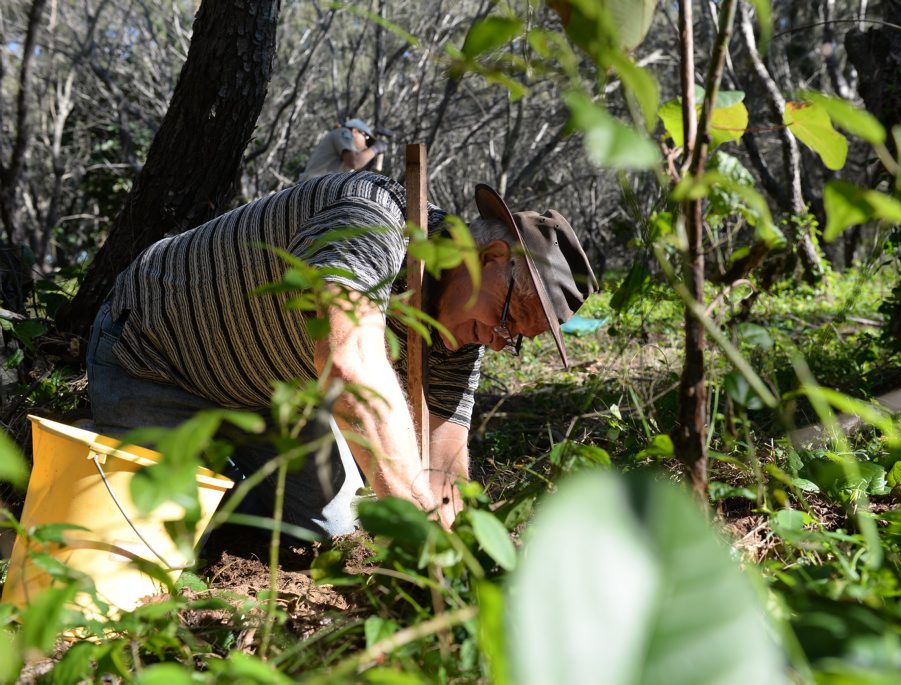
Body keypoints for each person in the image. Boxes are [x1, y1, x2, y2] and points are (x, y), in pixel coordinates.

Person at [86, 170, 597, 537]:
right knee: (136, 539)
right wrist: (412, 519)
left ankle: (217, 488)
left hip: (271, 397)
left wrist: (459, 546)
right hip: (154, 358)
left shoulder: (466, 330)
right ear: (490, 256)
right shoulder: (374, 220)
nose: (499, 339)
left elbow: (444, 467)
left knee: (327, 526)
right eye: (508, 318)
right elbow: (348, 363)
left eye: (516, 337)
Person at [299, 119, 388, 180]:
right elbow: (354, 162)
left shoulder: (347, 151)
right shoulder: (343, 132)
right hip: (313, 185)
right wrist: (376, 148)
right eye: (367, 139)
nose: (366, 146)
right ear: (355, 131)